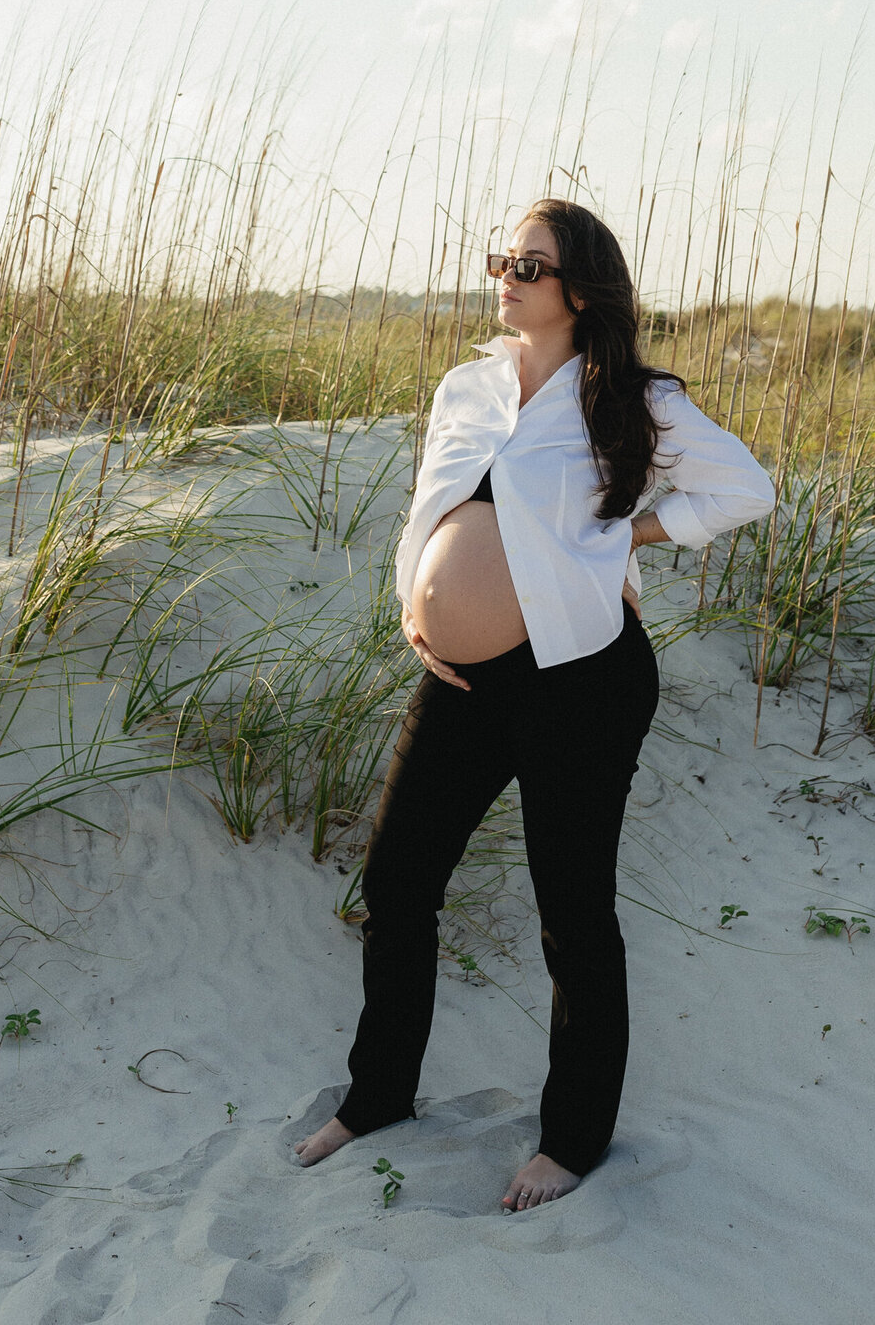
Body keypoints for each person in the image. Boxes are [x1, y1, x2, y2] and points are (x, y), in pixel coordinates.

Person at [294, 198, 775, 1212]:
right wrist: (414, 611)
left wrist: (634, 538)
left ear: (581, 288)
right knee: (396, 880)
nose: (505, 276)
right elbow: (424, 510)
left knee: (572, 913)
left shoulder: (630, 398)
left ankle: (572, 1140)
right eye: (499, 258)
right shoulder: (464, 387)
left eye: (529, 263)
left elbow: (744, 489)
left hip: (581, 681)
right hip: (461, 679)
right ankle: (378, 1092)